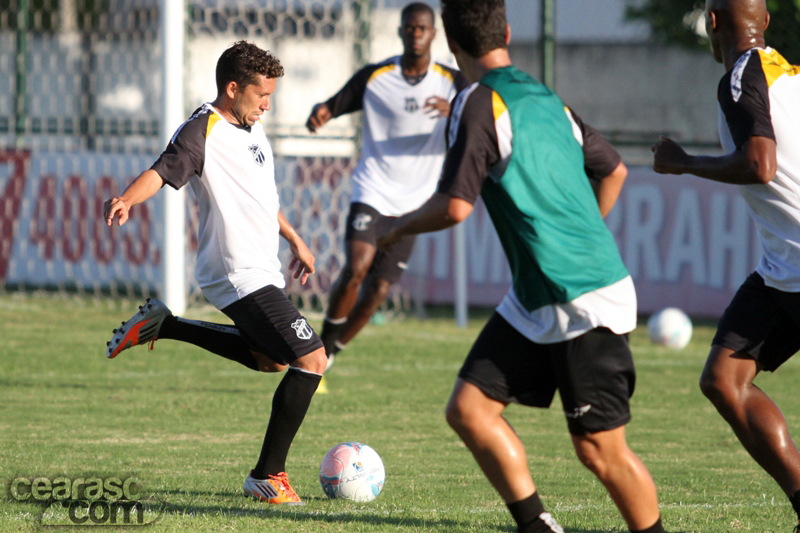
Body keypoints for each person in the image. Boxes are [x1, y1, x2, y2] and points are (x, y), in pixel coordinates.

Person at [375, 1, 664, 532]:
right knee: (469, 410)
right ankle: (537, 526)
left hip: (580, 296)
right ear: (506, 31)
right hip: (537, 299)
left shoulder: (477, 104)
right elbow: (616, 171)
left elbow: (455, 206)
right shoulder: (546, 98)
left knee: (601, 450)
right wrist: (571, 237)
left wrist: (392, 228)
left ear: (451, 45)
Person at [103, 41, 327, 505]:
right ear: (232, 88)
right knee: (313, 359)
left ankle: (166, 325)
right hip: (237, 271)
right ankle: (268, 475)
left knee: (274, 361)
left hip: (261, 267)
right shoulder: (202, 129)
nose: (268, 105)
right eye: (261, 95)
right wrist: (126, 197)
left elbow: (262, 198)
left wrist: (294, 238)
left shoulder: (251, 127)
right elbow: (161, 171)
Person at [652, 0, 800, 527]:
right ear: (767, 22)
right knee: (724, 378)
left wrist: (683, 164)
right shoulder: (791, 76)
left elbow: (761, 164)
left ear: (712, 22)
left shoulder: (741, 76)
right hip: (783, 270)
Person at [305, 2, 468, 363]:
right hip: (373, 190)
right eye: (409, 27)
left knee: (379, 290)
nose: (415, 33)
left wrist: (454, 108)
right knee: (357, 268)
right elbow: (332, 105)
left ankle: (329, 352)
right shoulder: (376, 76)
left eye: (422, 28)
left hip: (416, 204)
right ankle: (318, 349)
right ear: (400, 31)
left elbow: (482, 114)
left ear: (433, 34)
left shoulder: (453, 82)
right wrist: (321, 114)